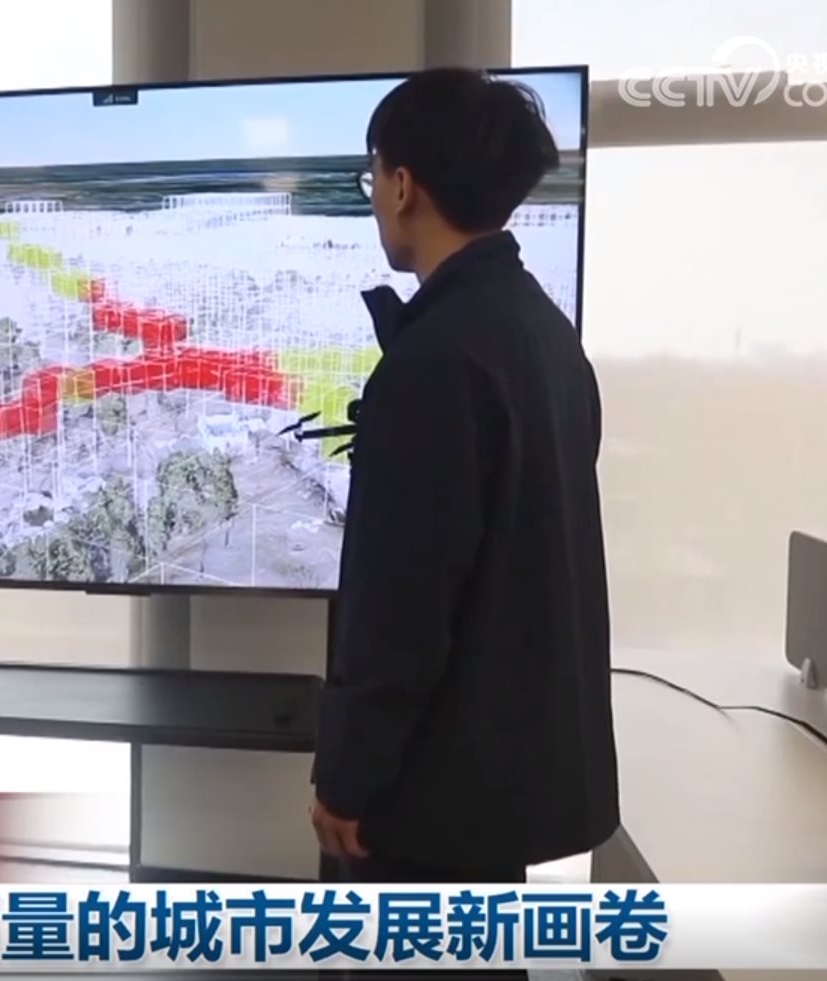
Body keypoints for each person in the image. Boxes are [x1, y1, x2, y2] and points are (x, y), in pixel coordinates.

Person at [308, 67, 616, 967]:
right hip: (494, 774)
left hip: (428, 788)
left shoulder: (435, 360)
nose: (374, 196)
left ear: (403, 184)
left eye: (373, 175)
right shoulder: (541, 332)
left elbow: (402, 605)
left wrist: (347, 774)